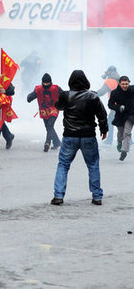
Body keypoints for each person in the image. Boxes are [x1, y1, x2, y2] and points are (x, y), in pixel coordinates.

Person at [51, 70, 108, 206]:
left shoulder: (66, 95)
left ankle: (58, 195)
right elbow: (102, 114)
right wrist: (104, 129)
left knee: (63, 165)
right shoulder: (93, 96)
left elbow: (58, 106)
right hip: (88, 135)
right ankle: (97, 196)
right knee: (93, 165)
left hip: (70, 135)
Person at [27, 73, 62, 152]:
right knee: (48, 127)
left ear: (51, 82)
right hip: (44, 111)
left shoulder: (56, 88)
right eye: (44, 83)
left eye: (47, 83)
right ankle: (57, 142)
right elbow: (31, 96)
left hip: (54, 110)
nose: (46, 84)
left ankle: (47, 142)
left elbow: (64, 95)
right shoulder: (38, 89)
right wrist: (29, 98)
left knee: (50, 125)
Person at [108, 76, 134, 161]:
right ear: (119, 83)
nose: (125, 86)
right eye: (123, 84)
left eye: (126, 84)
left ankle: (124, 151)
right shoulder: (115, 93)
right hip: (120, 115)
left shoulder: (132, 90)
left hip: (130, 115)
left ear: (129, 83)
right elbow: (110, 104)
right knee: (120, 133)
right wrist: (118, 107)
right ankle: (119, 143)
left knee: (127, 132)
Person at [97, 66, 120, 145]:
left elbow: (101, 92)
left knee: (110, 121)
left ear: (109, 72)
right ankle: (129, 141)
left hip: (116, 106)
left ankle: (109, 140)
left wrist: (91, 94)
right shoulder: (119, 79)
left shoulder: (110, 81)